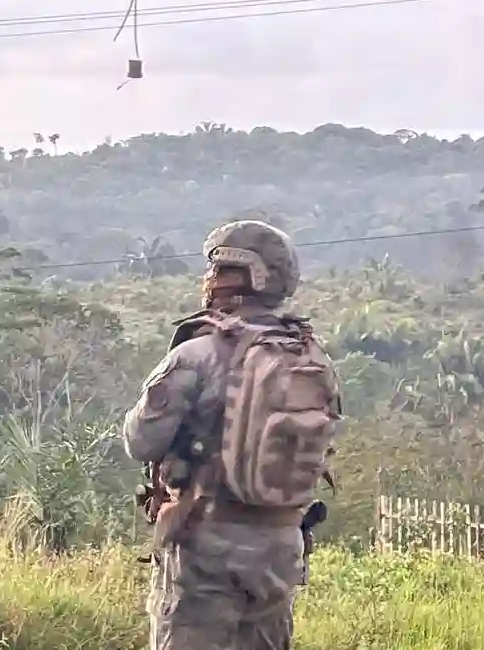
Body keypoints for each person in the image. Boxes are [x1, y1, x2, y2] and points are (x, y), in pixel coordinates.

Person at [123, 220, 342, 650]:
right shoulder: (313, 356)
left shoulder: (196, 354)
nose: (209, 279)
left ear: (244, 277)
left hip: (205, 548)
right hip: (281, 547)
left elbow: (140, 442)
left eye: (218, 268)